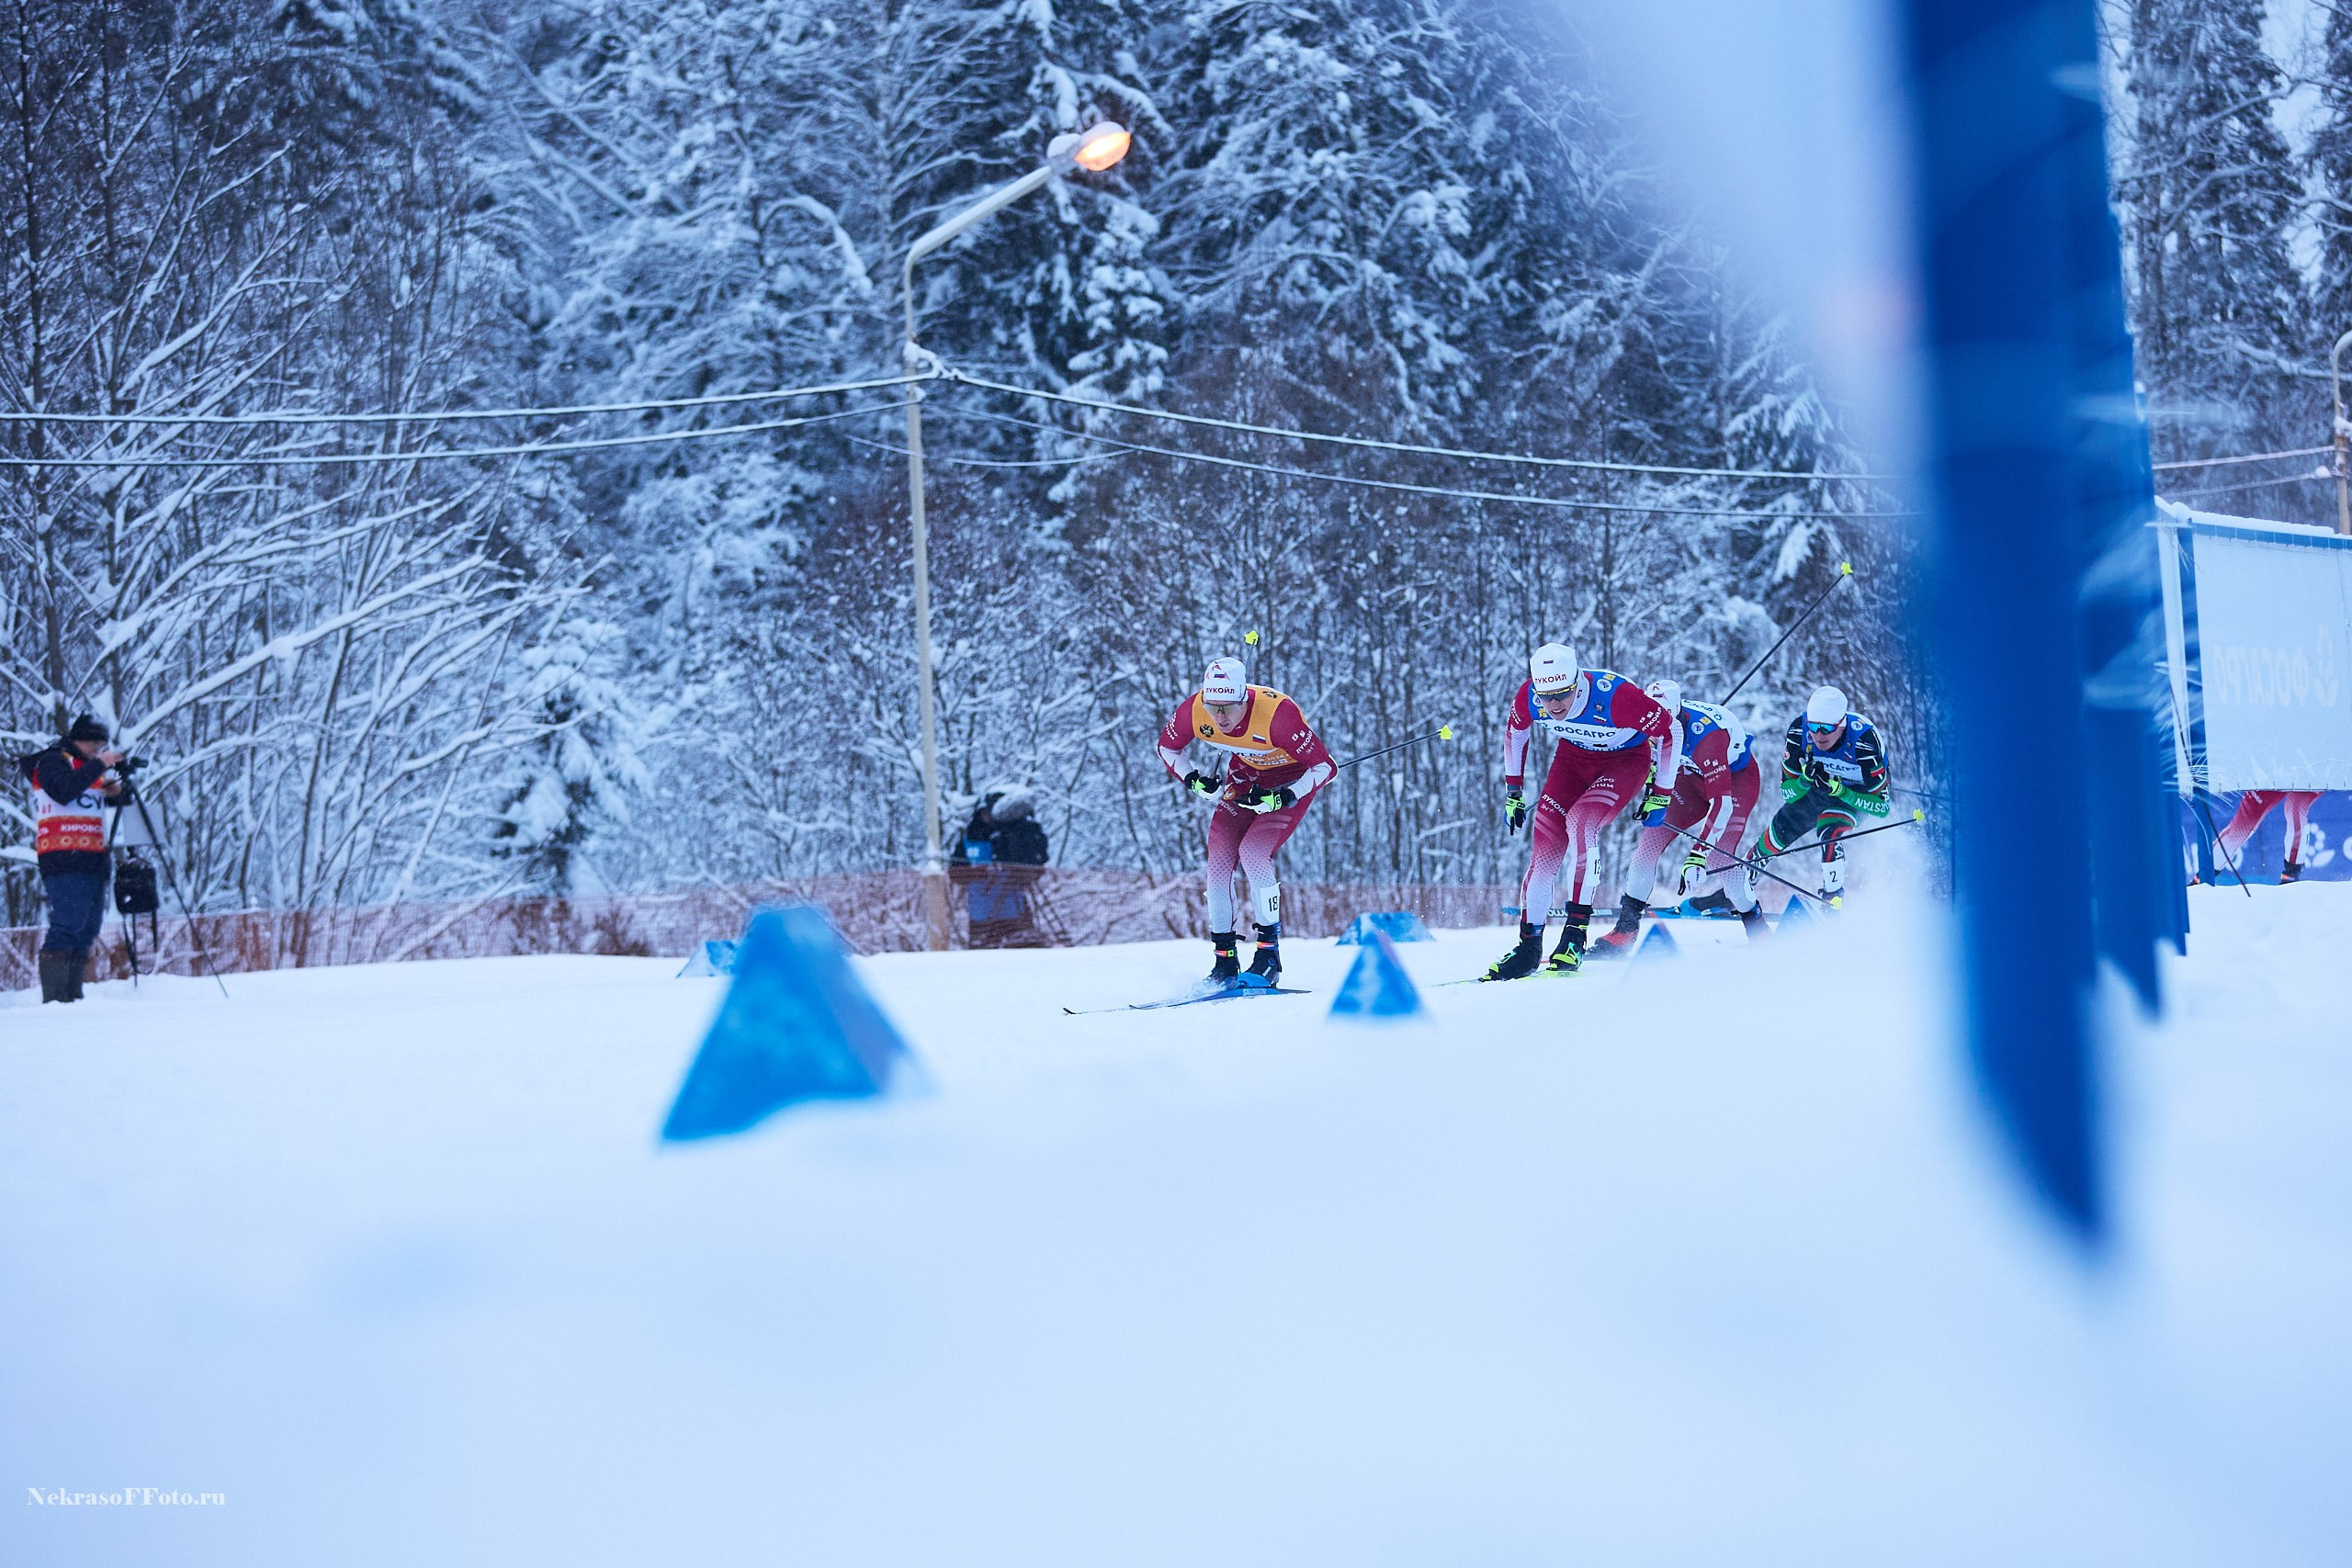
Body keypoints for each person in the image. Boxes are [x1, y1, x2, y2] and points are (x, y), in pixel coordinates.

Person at [1485, 643, 1680, 980]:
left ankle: (1574, 936)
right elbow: (1515, 731)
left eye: (1563, 694)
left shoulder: (1617, 697)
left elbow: (1671, 731)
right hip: (1572, 762)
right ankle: (1528, 948)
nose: (1554, 705)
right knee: (1545, 843)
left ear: (1577, 682)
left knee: (1580, 822)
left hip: (1624, 762)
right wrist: (1513, 792)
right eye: (1546, 696)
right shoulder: (1530, 696)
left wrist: (1661, 793)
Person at [1155, 656, 1335, 986]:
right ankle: (1224, 960)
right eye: (1212, 707)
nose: (1219, 717)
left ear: (1244, 699)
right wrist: (1194, 780)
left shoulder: (1278, 717)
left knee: (1253, 853)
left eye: (1228, 708)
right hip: (1245, 778)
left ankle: (1269, 957)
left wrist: (1286, 796)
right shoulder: (1194, 710)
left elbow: (1326, 767)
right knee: (1219, 860)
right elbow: (1167, 747)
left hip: (1289, 780)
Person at [1589, 680, 1769, 953]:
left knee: (1719, 857)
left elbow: (1722, 805)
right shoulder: (1644, 720)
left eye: (1662, 729)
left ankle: (1757, 929)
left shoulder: (1707, 739)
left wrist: (1697, 855)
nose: (1654, 736)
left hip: (1735, 782)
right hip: (1689, 780)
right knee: (1649, 844)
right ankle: (1625, 930)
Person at [17, 714, 123, 1003]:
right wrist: (99, 766)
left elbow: (85, 799)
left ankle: (72, 996)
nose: (99, 751)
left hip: (94, 859)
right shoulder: (52, 760)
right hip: (63, 856)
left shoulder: (88, 770)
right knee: (68, 923)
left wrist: (113, 793)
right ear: (83, 739)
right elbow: (63, 791)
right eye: (97, 745)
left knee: (87, 928)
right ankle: (56, 999)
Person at [1757, 684, 1890, 899]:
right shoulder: (1799, 731)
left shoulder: (1864, 741)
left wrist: (1841, 791)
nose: (1819, 735)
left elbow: (1881, 808)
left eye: (1827, 728)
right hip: (1820, 788)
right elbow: (1787, 793)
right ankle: (1738, 886)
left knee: (1828, 829)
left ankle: (1833, 900)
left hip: (1856, 795)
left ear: (1842, 725)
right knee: (1780, 828)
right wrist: (1804, 780)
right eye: (1814, 726)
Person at [949, 786, 1050, 946]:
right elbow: (955, 873)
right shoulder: (969, 840)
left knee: (1025, 950)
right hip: (982, 913)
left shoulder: (1014, 836)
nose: (988, 816)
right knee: (985, 954)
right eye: (985, 812)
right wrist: (981, 873)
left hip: (1014, 910)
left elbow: (1034, 867)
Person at [2211, 789, 2323, 884]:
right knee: (2243, 825)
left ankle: (2291, 875)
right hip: (2271, 774)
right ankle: (2206, 872)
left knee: (2295, 806)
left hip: (2305, 773)